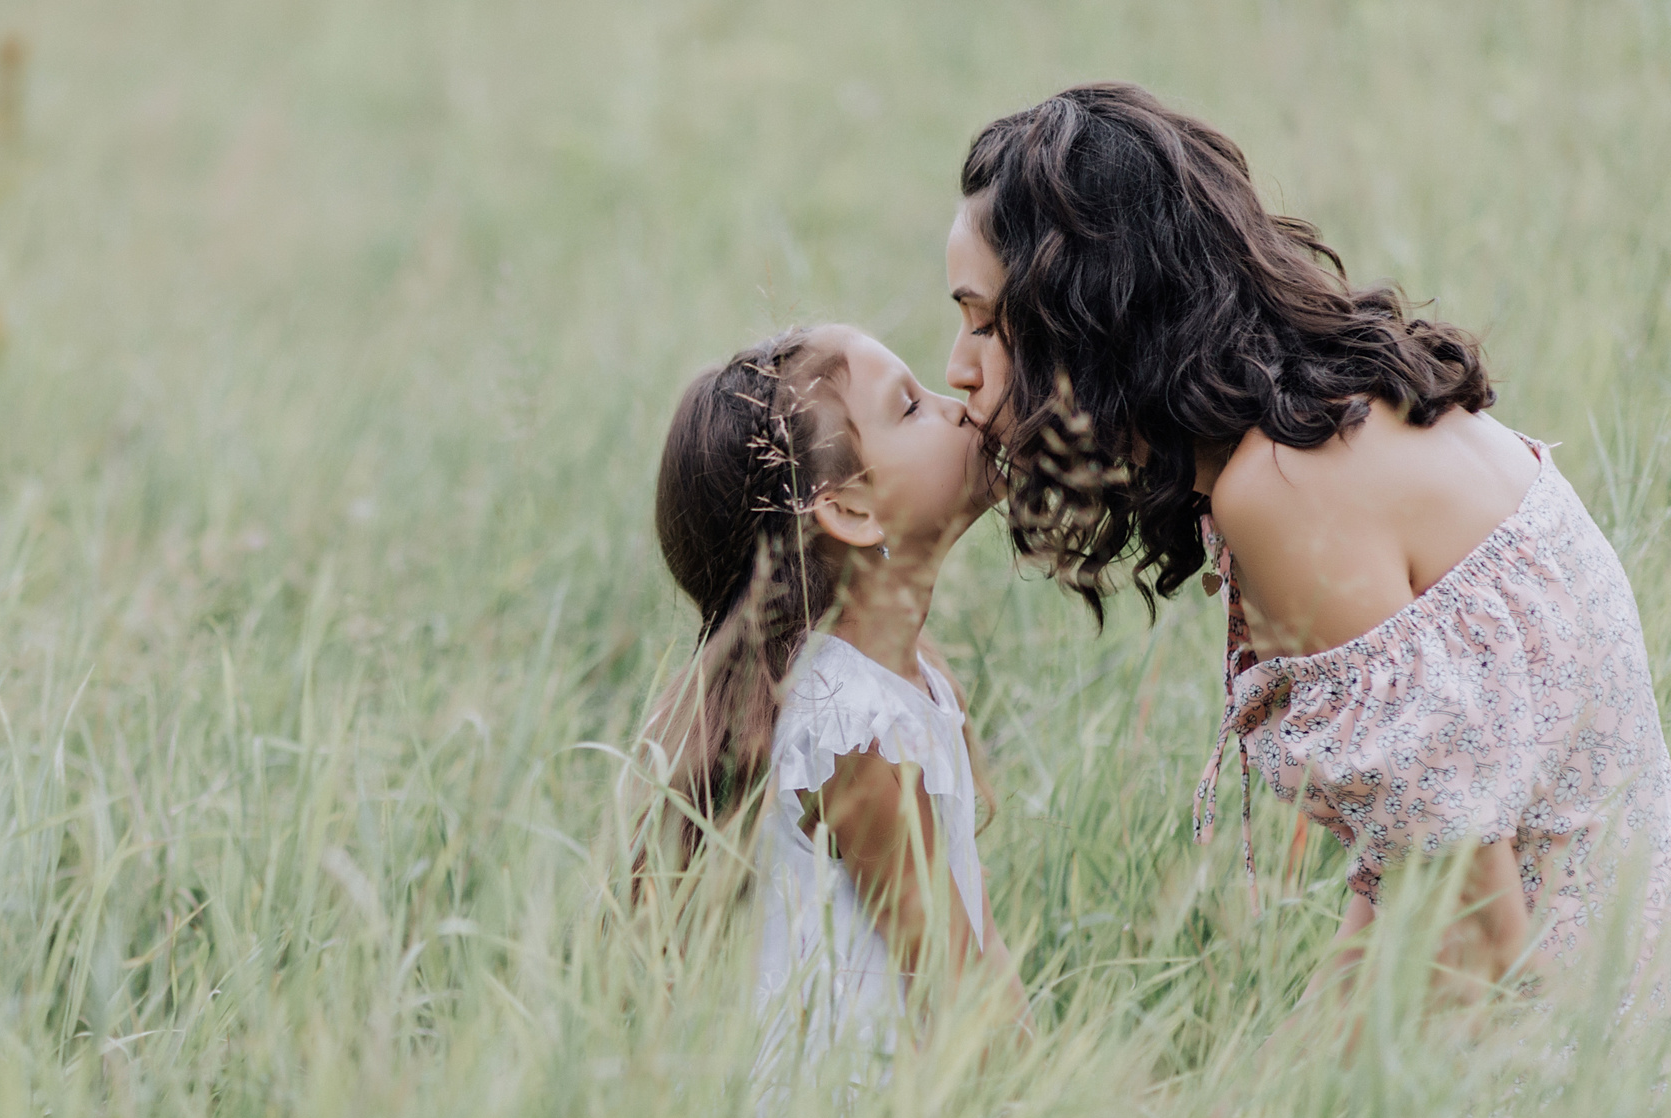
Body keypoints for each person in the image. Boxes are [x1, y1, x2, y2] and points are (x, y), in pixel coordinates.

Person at [945, 82, 1671, 997]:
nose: (957, 368)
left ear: (1088, 316)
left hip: (1570, 1038)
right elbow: (1418, 860)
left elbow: (1471, 945)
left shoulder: (1289, 488)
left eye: (984, 321)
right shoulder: (1343, 421)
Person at [642, 323, 1022, 1060]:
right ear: (850, 508)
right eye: (910, 407)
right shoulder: (855, 728)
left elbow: (979, 937)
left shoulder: (909, 682)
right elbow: (954, 987)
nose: (957, 408)